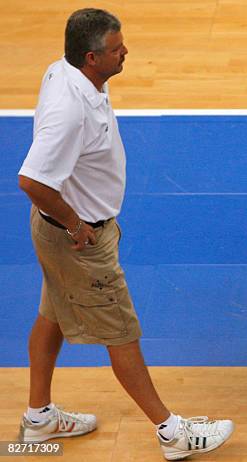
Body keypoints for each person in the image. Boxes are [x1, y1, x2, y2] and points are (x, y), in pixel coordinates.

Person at [17, 9, 233, 459]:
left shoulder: (68, 70)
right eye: (117, 49)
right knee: (122, 331)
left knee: (53, 313)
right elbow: (33, 181)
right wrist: (79, 226)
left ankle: (38, 419)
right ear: (92, 57)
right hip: (77, 241)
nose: (125, 52)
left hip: (59, 232)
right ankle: (171, 433)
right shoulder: (69, 110)